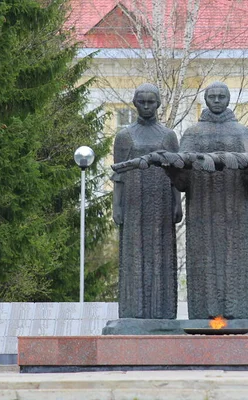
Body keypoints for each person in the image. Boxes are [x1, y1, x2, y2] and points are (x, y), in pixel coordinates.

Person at [170, 82, 248, 319]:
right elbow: (181, 174)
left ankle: (236, 310)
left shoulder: (241, 132)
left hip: (235, 207)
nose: (217, 100)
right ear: (206, 99)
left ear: (228, 99)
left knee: (235, 256)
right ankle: (203, 312)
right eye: (212, 96)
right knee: (204, 258)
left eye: (222, 96)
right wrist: (171, 169)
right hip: (202, 206)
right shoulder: (193, 133)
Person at [112, 83, 182, 319]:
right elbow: (118, 175)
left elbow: (176, 175)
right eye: (141, 101)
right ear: (134, 103)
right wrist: (117, 205)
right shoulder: (124, 136)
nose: (146, 106)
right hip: (134, 200)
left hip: (161, 201)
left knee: (160, 252)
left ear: (158, 103)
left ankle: (161, 310)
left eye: (151, 102)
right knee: (135, 253)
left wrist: (177, 203)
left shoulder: (169, 136)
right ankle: (134, 310)